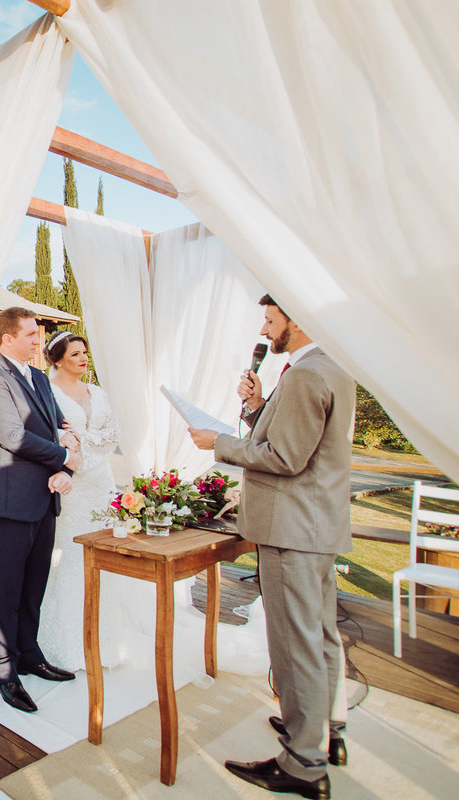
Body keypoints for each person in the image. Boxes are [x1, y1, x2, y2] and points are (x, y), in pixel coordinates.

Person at [191, 294, 354, 799]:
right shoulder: (334, 367)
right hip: (317, 527)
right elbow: (296, 439)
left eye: (269, 319)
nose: (265, 329)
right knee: (320, 634)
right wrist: (258, 406)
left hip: (292, 529)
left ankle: (304, 764)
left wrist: (215, 442)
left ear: (297, 320)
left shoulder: (306, 374)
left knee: (294, 644)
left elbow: (284, 457)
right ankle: (327, 733)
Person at [0, 307, 80, 713]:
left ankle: (29, 655)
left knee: (34, 584)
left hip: (43, 498)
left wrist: (67, 441)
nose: (39, 340)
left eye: (39, 334)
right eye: (33, 334)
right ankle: (0, 669)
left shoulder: (36, 376)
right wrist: (64, 457)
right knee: (4, 590)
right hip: (8, 501)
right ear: (8, 337)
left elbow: (57, 421)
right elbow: (13, 437)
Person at [35, 332, 129, 671]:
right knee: (71, 558)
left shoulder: (99, 393)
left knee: (104, 557)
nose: (83, 358)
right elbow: (53, 434)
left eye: (84, 352)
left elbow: (113, 434)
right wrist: (74, 456)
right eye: (75, 354)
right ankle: (65, 644)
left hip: (101, 482)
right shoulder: (48, 391)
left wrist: (84, 447)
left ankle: (105, 640)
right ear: (58, 359)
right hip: (68, 484)